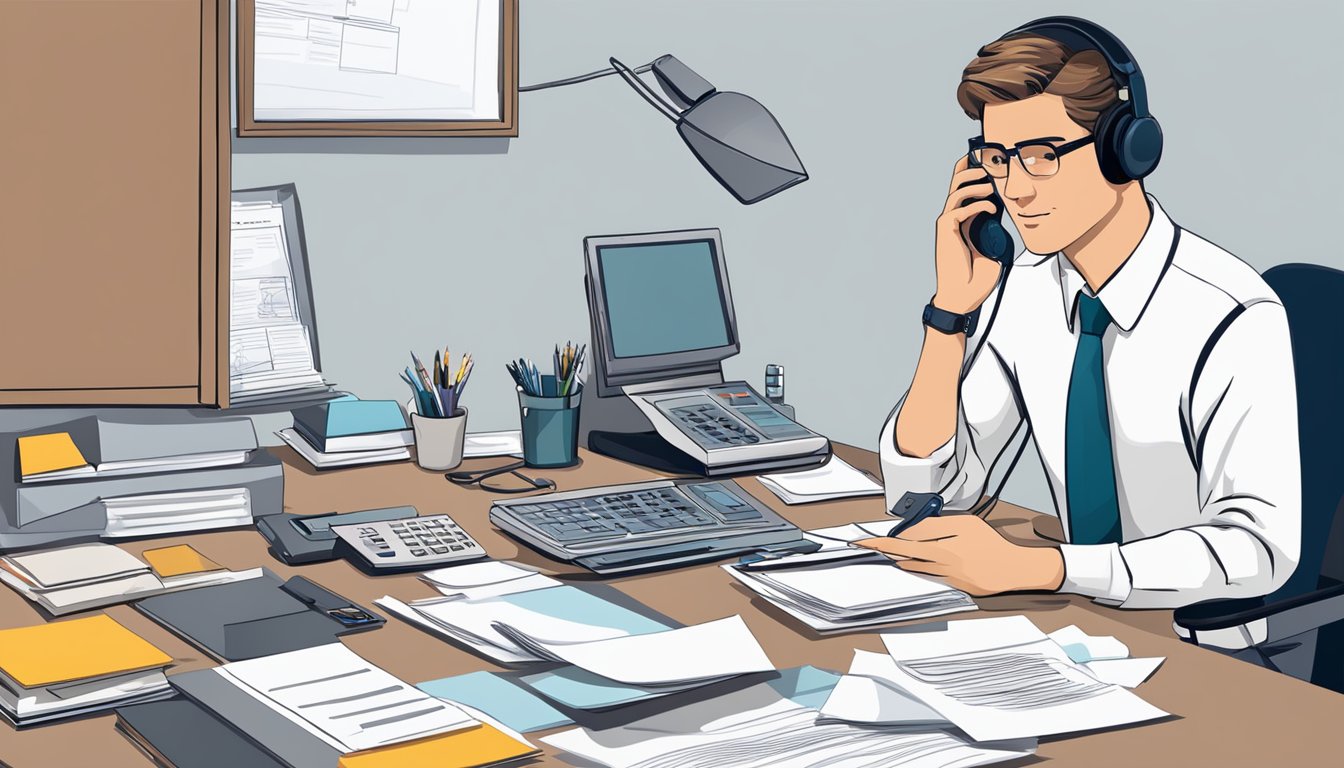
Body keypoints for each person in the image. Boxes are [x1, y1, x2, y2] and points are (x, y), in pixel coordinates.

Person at [854, 18, 1300, 609]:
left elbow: (1258, 548)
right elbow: (930, 492)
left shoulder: (1232, 315)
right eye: (997, 158)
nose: (1015, 189)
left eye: (1041, 155)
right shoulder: (1026, 290)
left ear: (1127, 149)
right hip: (1075, 617)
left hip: (1206, 639)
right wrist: (950, 313)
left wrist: (1045, 567)